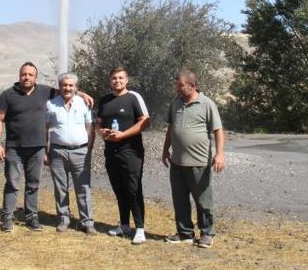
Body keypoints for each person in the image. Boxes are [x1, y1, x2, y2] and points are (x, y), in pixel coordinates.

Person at [0, 62, 93, 232]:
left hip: (37, 148)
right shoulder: (7, 95)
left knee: (33, 184)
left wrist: (81, 94)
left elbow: (66, 90)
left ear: (35, 77)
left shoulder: (45, 92)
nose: (27, 77)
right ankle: (7, 218)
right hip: (14, 148)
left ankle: (31, 217)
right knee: (12, 183)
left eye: (30, 75)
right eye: (24, 74)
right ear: (19, 75)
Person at [161, 69, 225, 248]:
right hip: (177, 162)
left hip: (199, 162)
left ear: (193, 85)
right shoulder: (175, 103)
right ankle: (185, 233)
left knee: (203, 200)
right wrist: (166, 150)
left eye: (181, 86)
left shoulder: (207, 104)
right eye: (176, 86)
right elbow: (171, 129)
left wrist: (219, 154)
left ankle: (207, 233)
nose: (177, 89)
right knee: (179, 199)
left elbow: (218, 130)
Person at [96, 66, 150, 245]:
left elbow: (145, 121)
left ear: (127, 80)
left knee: (133, 189)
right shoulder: (104, 100)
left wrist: (123, 135)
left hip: (131, 151)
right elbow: (98, 122)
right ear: (109, 80)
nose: (117, 81)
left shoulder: (134, 97)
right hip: (111, 151)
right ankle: (125, 225)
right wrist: (101, 132)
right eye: (114, 78)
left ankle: (140, 229)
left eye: (120, 78)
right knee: (119, 189)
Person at [45, 72, 96, 235]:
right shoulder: (51, 104)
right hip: (57, 151)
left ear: (76, 87)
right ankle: (64, 219)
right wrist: (46, 151)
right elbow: (45, 129)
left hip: (80, 151)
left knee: (83, 187)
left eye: (71, 85)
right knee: (60, 187)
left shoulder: (84, 103)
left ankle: (87, 222)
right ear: (59, 87)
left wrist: (89, 148)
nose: (67, 88)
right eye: (64, 85)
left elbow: (90, 127)